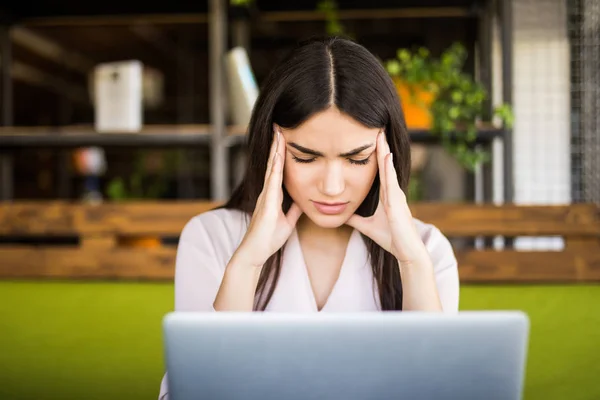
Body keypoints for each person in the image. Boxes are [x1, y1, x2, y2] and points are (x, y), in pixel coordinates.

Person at [158, 36, 459, 400]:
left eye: (357, 159)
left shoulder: (426, 251)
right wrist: (247, 263)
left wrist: (412, 263)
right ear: (271, 148)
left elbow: (433, 391)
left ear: (388, 154)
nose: (332, 187)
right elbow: (196, 392)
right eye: (305, 157)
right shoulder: (212, 237)